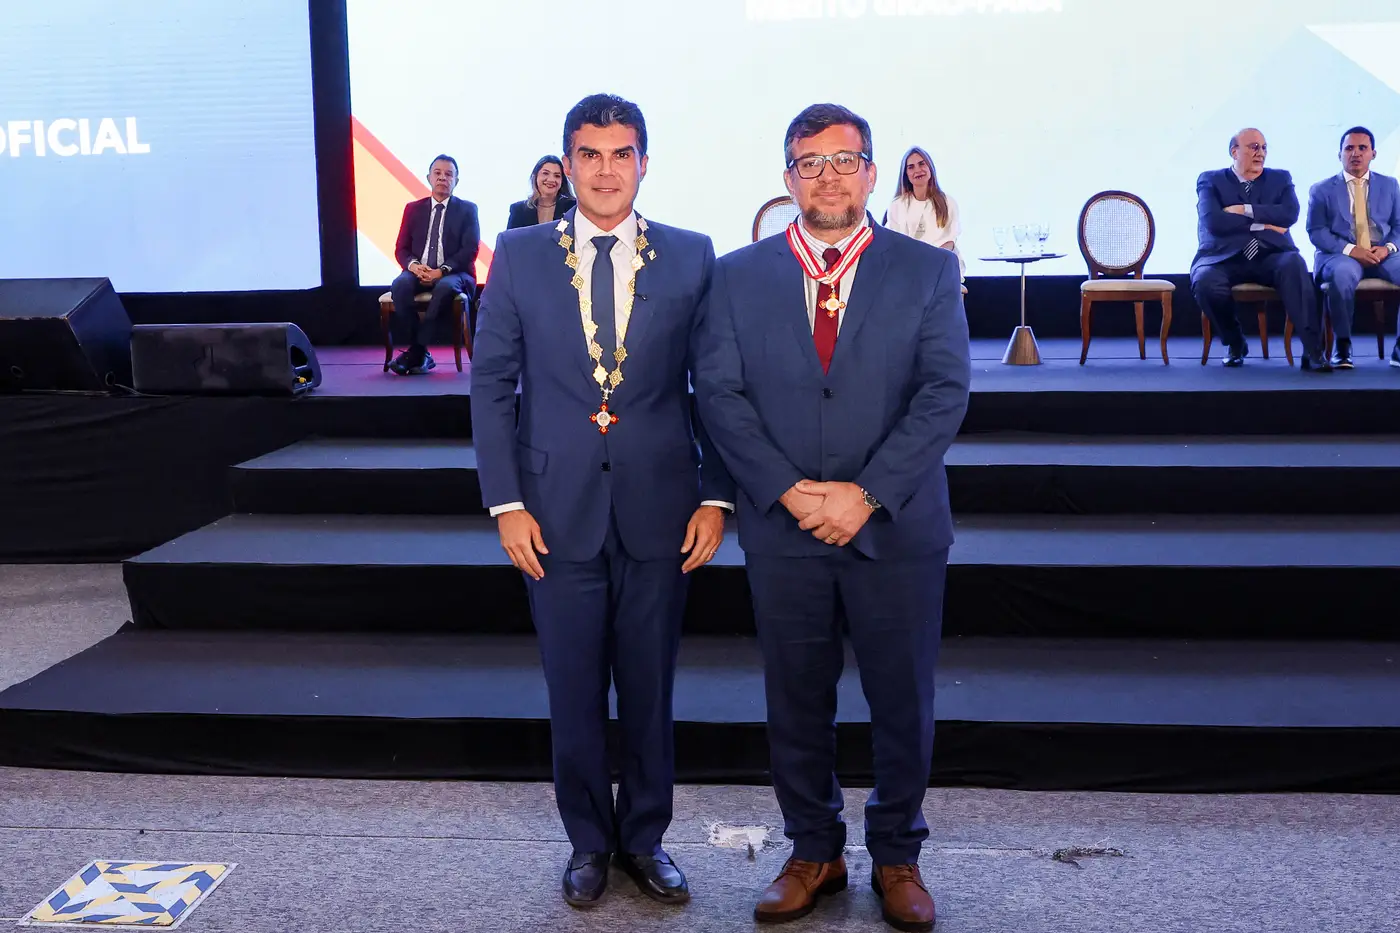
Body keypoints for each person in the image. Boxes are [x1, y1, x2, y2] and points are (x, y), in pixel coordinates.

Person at [694, 103, 970, 932]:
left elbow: (942, 392)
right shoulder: (736, 276)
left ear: (872, 173)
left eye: (844, 160)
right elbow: (721, 394)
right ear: (787, 180)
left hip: (897, 526)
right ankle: (813, 848)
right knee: (796, 699)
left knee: (901, 700)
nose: (828, 177)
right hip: (784, 530)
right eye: (809, 164)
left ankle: (897, 855)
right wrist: (786, 489)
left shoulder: (927, 271)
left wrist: (865, 494)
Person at [470, 93, 734, 910]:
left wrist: (717, 494)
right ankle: (589, 842)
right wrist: (505, 502)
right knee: (573, 687)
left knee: (651, 686)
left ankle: (645, 839)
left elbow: (717, 388)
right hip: (552, 512)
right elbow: (491, 385)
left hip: (663, 505)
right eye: (591, 154)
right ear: (567, 163)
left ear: (644, 163)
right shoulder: (517, 254)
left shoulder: (692, 256)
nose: (607, 169)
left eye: (623, 153)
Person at [1190, 128, 1329, 371]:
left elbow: (1289, 214)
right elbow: (1214, 222)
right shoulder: (1210, 180)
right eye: (1253, 147)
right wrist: (1266, 223)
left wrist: (1243, 210)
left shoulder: (1280, 178)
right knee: (1204, 281)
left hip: (1271, 254)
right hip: (1224, 257)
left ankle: (1313, 350)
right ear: (1234, 152)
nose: (1260, 153)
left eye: (1264, 148)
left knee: (1295, 265)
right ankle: (1234, 343)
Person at [1306, 126, 1400, 368]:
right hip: (1339, 255)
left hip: (1382, 253)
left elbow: (1399, 226)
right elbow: (1316, 231)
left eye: (1362, 148)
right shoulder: (1321, 189)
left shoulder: (1390, 186)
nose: (1355, 153)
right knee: (1342, 275)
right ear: (1340, 155)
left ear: (1373, 153)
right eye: (1349, 148)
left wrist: (1388, 248)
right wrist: (1351, 250)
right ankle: (1343, 347)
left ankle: (1399, 350)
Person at [389, 155, 480, 375]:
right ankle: (420, 352)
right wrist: (413, 266)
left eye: (449, 174)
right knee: (400, 285)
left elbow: (470, 250)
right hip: (419, 270)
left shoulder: (467, 209)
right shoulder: (413, 209)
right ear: (429, 177)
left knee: (444, 287)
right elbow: (401, 248)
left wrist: (442, 271)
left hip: (455, 274)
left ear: (456, 181)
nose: (442, 178)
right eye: (437, 173)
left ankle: (417, 351)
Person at [883, 146, 964, 279]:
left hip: (941, 271)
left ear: (930, 167)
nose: (917, 170)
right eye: (911, 167)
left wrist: (927, 265)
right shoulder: (897, 205)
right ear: (906, 174)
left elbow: (950, 242)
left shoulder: (948, 202)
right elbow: (895, 244)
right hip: (908, 272)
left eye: (922, 164)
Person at [507, 155, 577, 229]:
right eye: (545, 173)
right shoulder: (518, 210)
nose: (551, 179)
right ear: (535, 176)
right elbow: (509, 240)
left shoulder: (573, 207)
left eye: (557, 176)